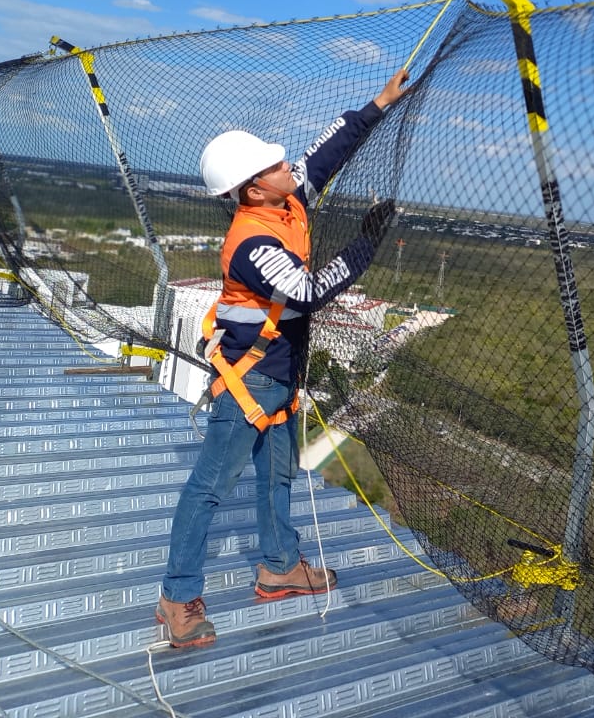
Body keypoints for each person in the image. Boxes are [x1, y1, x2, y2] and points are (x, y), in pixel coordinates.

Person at [156, 69, 411, 648]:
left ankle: (279, 568)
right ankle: (176, 598)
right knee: (209, 488)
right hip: (252, 377)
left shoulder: (287, 201)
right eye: (273, 168)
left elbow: (323, 157)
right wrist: (367, 243)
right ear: (253, 190)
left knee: (278, 474)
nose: (287, 169)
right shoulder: (252, 241)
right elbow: (309, 292)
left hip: (278, 373)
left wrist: (378, 105)